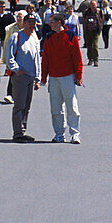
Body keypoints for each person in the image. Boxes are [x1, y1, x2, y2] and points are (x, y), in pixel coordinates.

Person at [41, 13, 83, 144]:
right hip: (54, 77)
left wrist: (79, 75)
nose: (50, 24)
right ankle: (59, 133)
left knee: (72, 105)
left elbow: (77, 57)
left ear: (59, 22)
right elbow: (46, 57)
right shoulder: (49, 37)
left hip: (67, 76)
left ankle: (75, 133)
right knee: (56, 108)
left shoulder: (70, 36)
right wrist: (43, 77)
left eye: (52, 21)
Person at [5, 15, 41, 142]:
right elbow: (9, 56)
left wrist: (37, 78)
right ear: (24, 23)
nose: (32, 25)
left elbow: (37, 59)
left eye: (34, 23)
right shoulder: (16, 37)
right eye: (30, 23)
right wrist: (16, 69)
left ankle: (23, 130)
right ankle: (17, 133)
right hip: (20, 76)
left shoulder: (34, 38)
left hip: (31, 77)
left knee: (27, 106)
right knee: (19, 105)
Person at [81, 0, 102, 67]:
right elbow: (84, 19)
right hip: (88, 30)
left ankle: (96, 60)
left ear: (96, 5)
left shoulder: (99, 12)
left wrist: (100, 27)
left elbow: (101, 19)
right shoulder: (87, 12)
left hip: (95, 31)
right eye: (92, 4)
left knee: (95, 45)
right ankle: (90, 59)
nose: (93, 6)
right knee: (89, 45)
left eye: (94, 5)